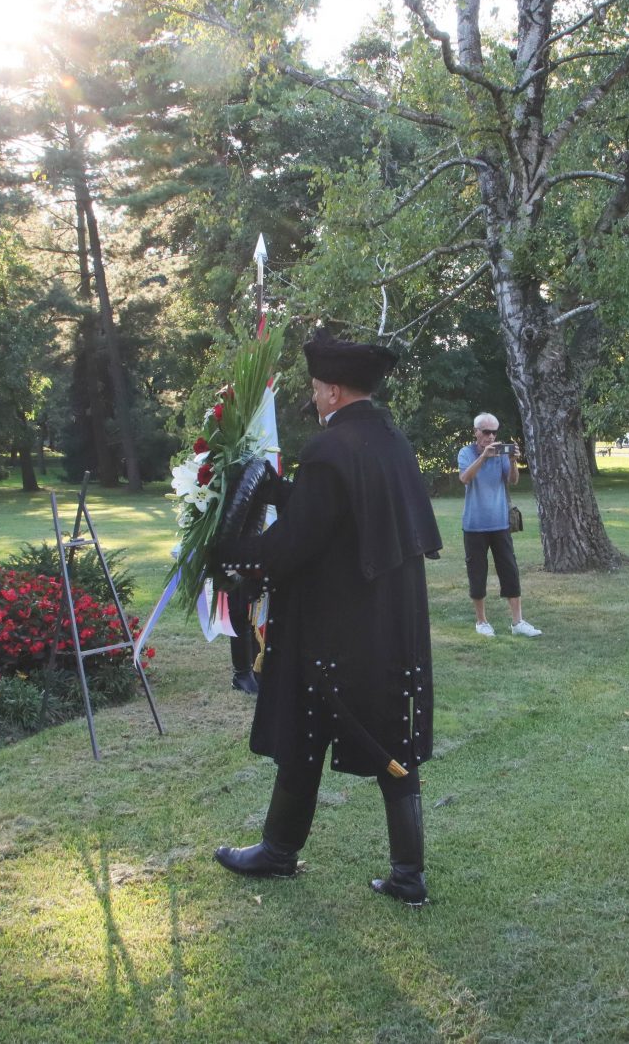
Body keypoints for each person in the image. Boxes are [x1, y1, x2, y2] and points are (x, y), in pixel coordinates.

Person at [214, 333, 442, 905]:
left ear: (334, 391)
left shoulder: (329, 448)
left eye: (317, 389)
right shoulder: (391, 439)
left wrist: (233, 554)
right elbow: (343, 514)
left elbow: (296, 544)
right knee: (385, 739)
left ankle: (280, 852)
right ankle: (403, 874)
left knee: (306, 730)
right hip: (389, 624)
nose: (314, 399)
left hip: (332, 626)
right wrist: (281, 491)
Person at [458, 412, 541, 638]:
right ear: (476, 432)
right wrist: (483, 457)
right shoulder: (466, 453)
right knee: (477, 573)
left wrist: (512, 461)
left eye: (494, 432)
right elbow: (465, 478)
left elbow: (512, 480)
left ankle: (517, 622)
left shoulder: (501, 453)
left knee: (510, 571)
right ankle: (481, 622)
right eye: (486, 432)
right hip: (474, 525)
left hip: (500, 523)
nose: (491, 436)